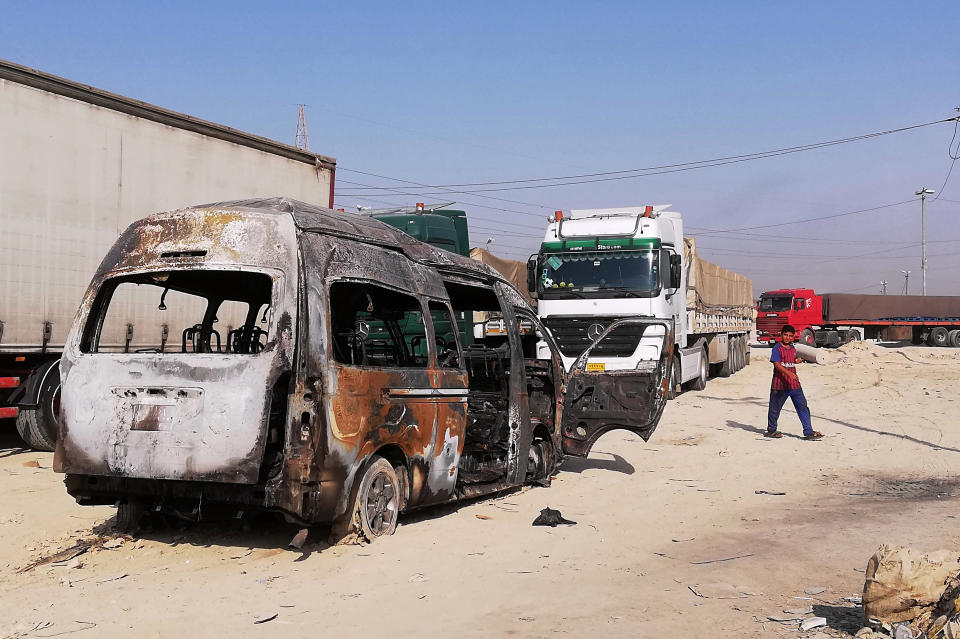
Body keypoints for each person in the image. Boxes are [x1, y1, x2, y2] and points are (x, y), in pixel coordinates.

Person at [766, 325, 823, 440]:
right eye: (785, 335)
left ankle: (808, 431)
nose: (787, 338)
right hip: (780, 385)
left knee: (802, 406)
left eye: (790, 336)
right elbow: (777, 364)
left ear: (793, 337)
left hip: (794, 385)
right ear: (781, 335)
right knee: (774, 408)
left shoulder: (792, 348)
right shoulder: (777, 348)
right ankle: (771, 429)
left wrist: (795, 361)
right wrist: (789, 374)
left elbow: (789, 360)